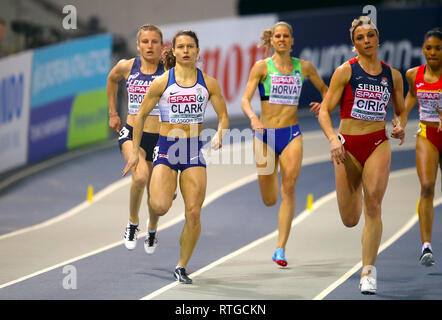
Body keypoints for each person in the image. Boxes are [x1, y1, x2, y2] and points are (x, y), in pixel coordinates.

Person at [122, 30, 229, 284]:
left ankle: (181, 266)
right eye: (181, 47)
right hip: (167, 149)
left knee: (193, 214)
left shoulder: (208, 83)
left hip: (193, 151)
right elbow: (140, 117)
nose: (186, 51)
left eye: (190, 46)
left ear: (197, 51)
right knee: (159, 205)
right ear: (175, 51)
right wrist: (136, 152)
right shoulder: (162, 82)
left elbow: (223, 116)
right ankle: (159, 203)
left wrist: (220, 134)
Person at [318, 16, 407, 294]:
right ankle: (353, 188)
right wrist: (333, 139)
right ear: (354, 43)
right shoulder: (345, 71)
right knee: (350, 219)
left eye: (370, 35)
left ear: (378, 38)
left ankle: (368, 271)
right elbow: (324, 110)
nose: (366, 40)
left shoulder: (392, 75)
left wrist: (400, 124)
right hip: (347, 147)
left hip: (377, 143)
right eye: (360, 37)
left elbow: (401, 110)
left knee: (374, 206)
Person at [241, 21, 328, 267]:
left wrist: (325, 104)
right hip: (264, 135)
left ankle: (280, 249)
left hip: (291, 134)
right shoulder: (261, 68)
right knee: (270, 198)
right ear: (271, 41)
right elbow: (245, 100)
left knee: (289, 187)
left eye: (285, 36)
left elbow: (327, 90)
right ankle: (272, 201)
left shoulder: (304, 67)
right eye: (277, 36)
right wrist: (253, 118)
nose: (281, 39)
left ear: (292, 40)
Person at [107, 24, 165, 253]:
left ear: (162, 45)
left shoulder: (170, 69)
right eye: (145, 42)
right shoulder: (127, 66)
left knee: (156, 192)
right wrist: (113, 113)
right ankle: (133, 223)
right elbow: (112, 80)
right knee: (140, 178)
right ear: (138, 44)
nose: (149, 46)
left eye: (154, 42)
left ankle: (152, 229)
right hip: (132, 133)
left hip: (161, 138)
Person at [404, 28, 442, 267]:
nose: (433, 52)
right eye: (429, 48)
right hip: (427, 133)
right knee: (427, 186)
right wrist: (401, 118)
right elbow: (411, 96)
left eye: (438, 48)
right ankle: (426, 246)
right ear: (422, 50)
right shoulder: (412, 74)